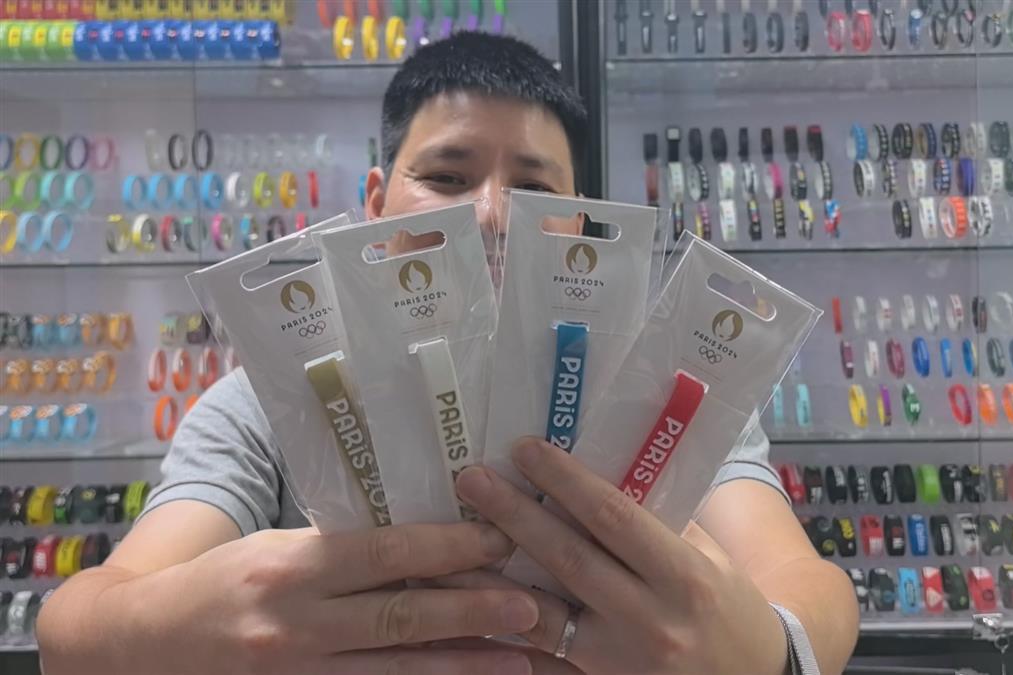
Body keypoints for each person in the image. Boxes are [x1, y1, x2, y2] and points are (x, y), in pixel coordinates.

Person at [37, 32, 858, 675]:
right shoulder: (266, 403)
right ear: (375, 202)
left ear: (582, 218)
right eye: (447, 174)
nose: (492, 213)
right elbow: (74, 628)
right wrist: (194, 622)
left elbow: (810, 583)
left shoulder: (660, 388)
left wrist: (770, 653)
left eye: (535, 187)